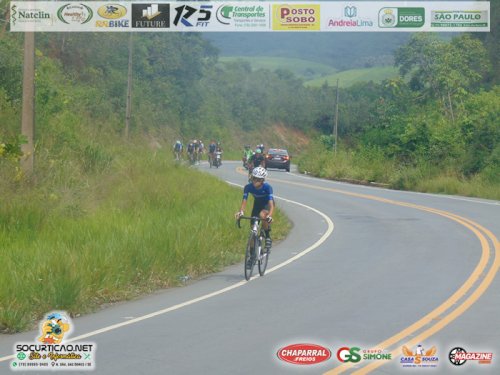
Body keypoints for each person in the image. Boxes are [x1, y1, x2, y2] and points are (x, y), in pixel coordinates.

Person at [235, 166, 274, 251]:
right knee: (253, 230)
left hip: (266, 204)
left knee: (262, 215)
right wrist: (241, 212)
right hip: (257, 205)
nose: (254, 181)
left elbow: (271, 205)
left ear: (262, 180)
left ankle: (267, 236)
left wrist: (270, 215)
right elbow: (244, 201)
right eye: (253, 178)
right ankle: (252, 255)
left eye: (258, 179)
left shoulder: (267, 187)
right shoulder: (248, 187)